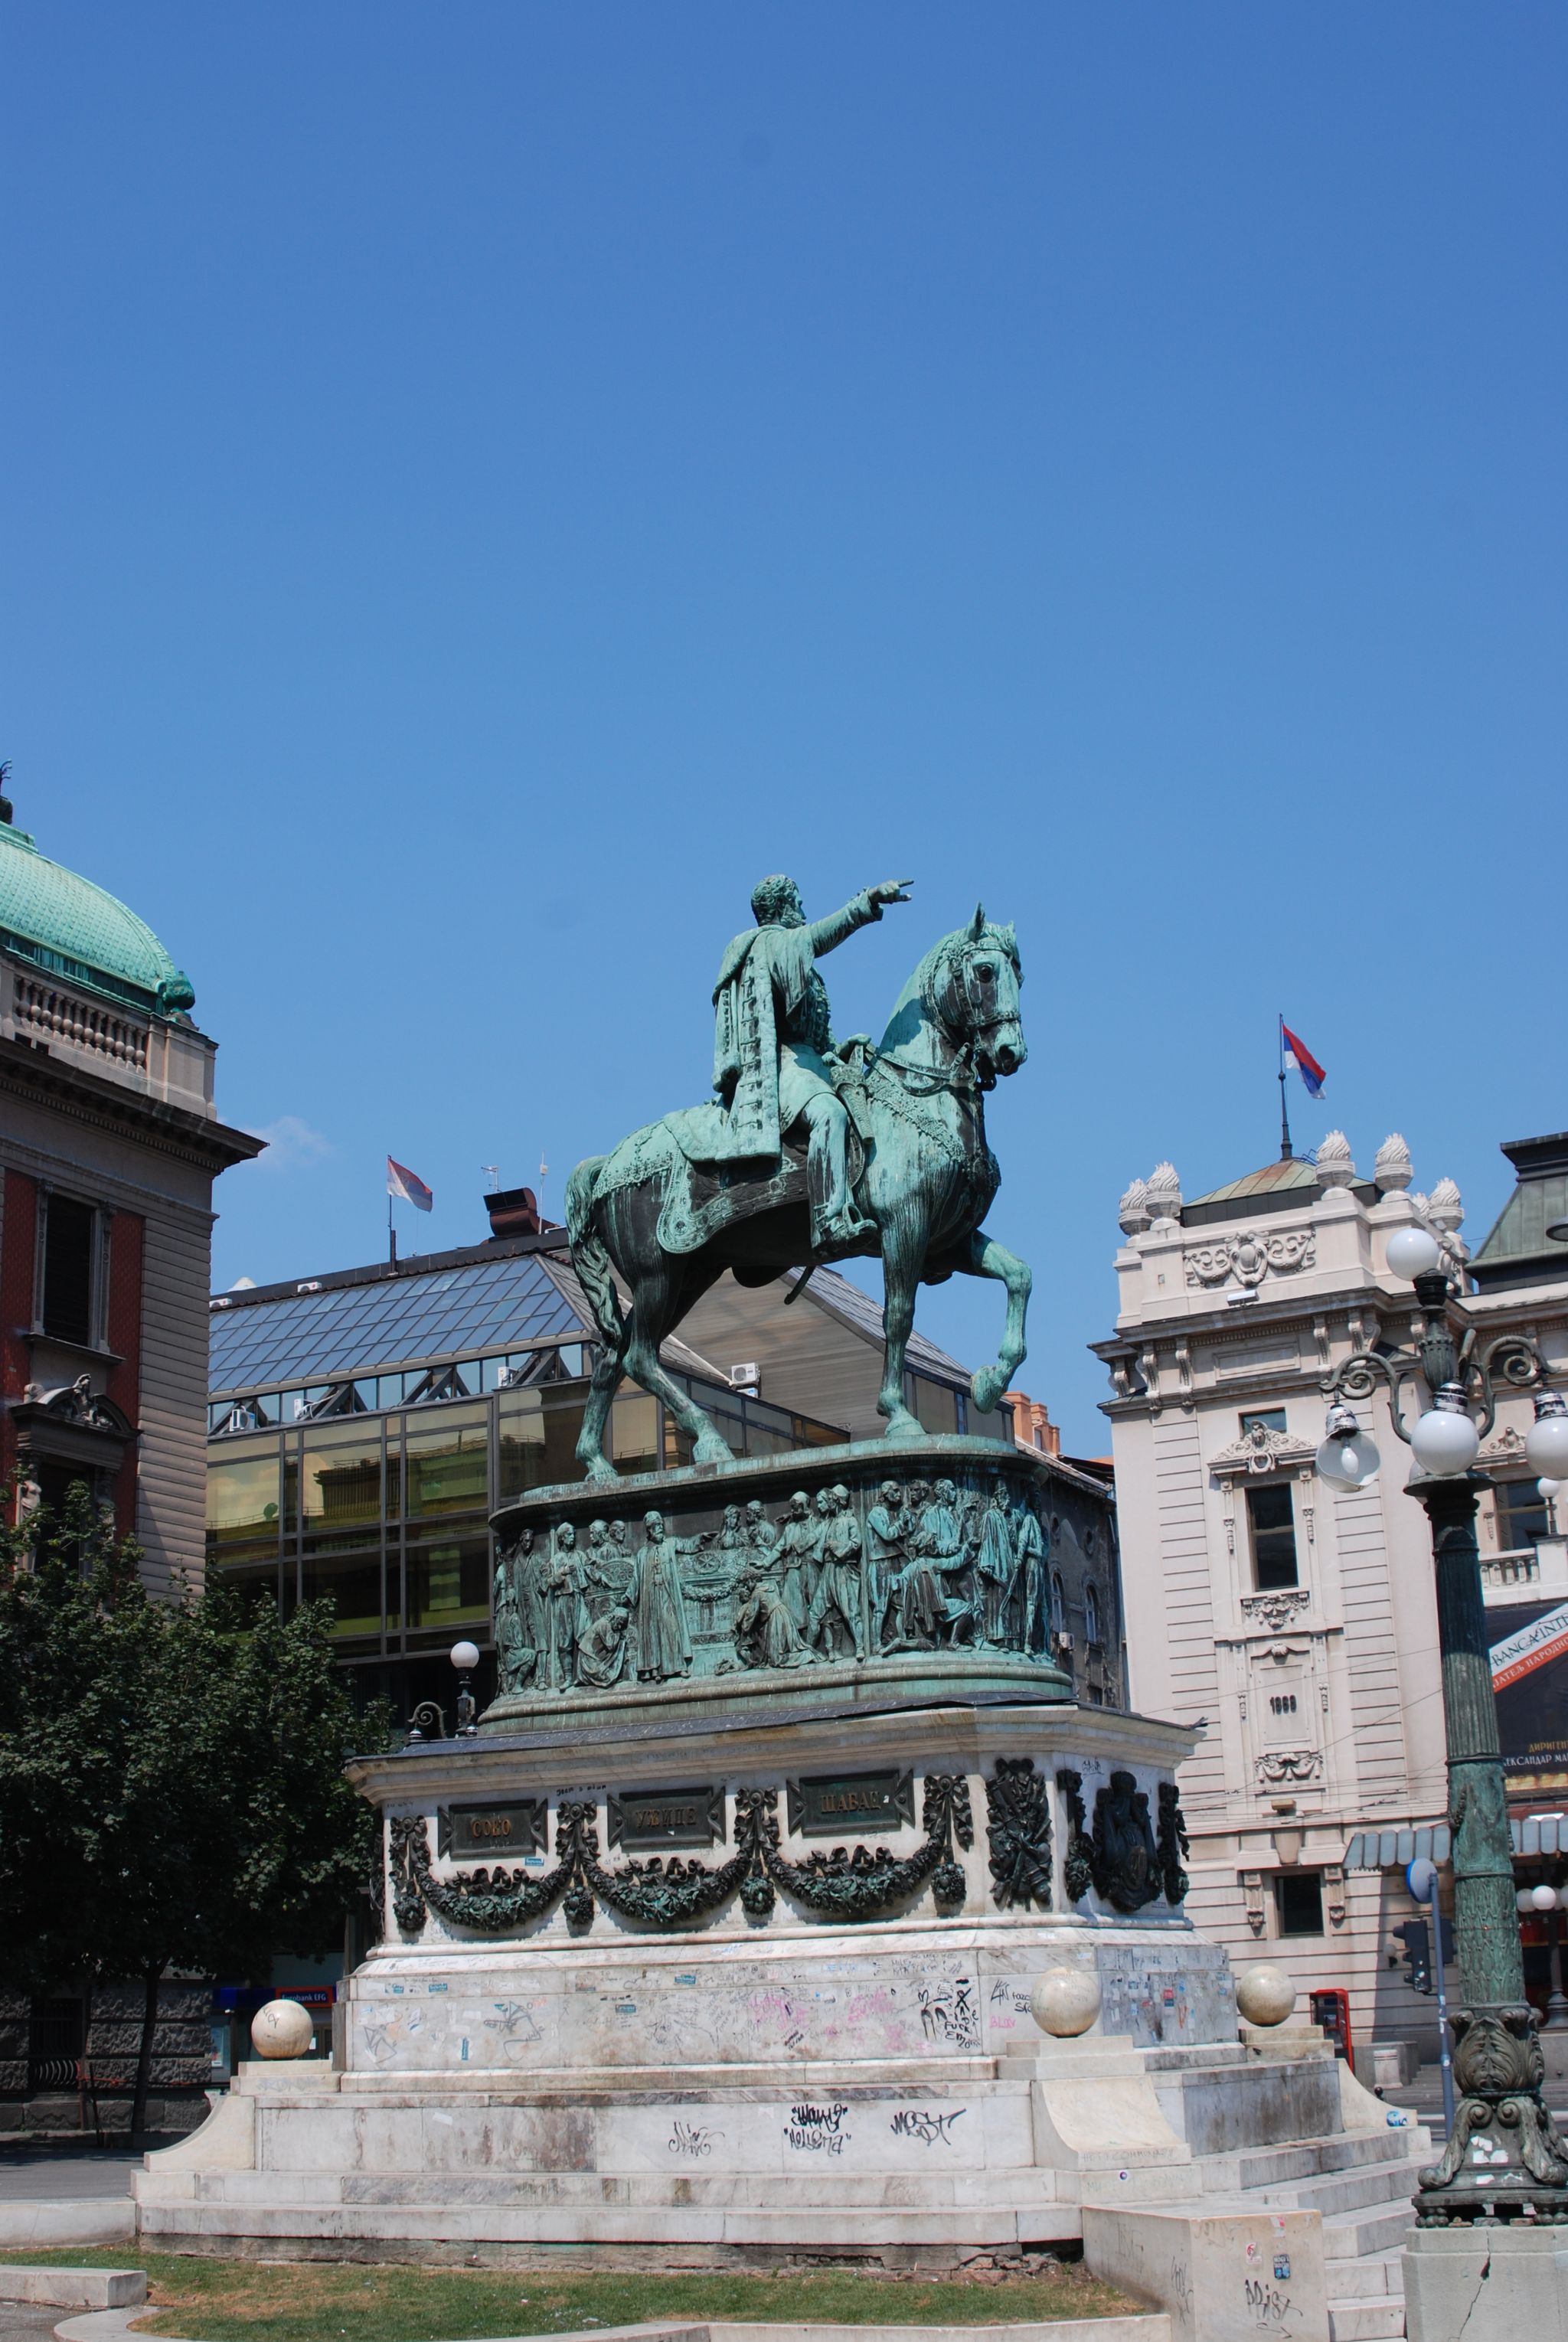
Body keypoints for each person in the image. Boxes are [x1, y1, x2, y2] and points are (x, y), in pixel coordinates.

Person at [700, 873, 912, 1253]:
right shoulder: (771, 943)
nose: (802, 909)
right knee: (830, 1114)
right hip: (782, 1068)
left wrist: (842, 1047)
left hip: (813, 1063)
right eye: (796, 902)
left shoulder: (796, 962)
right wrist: (867, 902)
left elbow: (815, 1034)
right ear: (780, 908)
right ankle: (828, 1222)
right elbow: (819, 936)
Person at [626, 1510, 694, 1681]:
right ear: (649, 1530)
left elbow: (688, 1544)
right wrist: (627, 1597)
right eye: (656, 1527)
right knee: (652, 1633)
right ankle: (654, 1670)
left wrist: (701, 1539)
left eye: (661, 1526)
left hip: (667, 1595)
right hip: (650, 1600)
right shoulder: (642, 1553)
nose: (660, 1529)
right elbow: (636, 1578)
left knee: (671, 1628)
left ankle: (678, 1667)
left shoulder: (669, 1545)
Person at [807, 1484, 866, 1661]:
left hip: (844, 1569)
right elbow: (812, 1537)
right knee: (815, 1612)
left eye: (831, 1499)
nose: (829, 1502)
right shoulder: (830, 1521)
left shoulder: (850, 1520)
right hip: (828, 1570)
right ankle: (808, 1650)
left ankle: (860, 1647)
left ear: (838, 1501)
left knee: (851, 1611)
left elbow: (857, 1543)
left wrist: (837, 1547)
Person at [864, 1480, 907, 1652]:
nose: (899, 1495)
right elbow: (888, 1535)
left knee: (902, 1605)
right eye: (895, 1491)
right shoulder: (876, 1513)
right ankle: (876, 1644)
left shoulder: (891, 1513)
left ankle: (902, 1639)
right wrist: (901, 1523)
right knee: (880, 1608)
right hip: (880, 1566)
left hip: (894, 1564)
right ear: (885, 1494)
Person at [974, 1485, 1018, 1648]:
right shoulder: (990, 1516)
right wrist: (986, 1562)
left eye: (1007, 1494)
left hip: (1012, 1563)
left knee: (1012, 1599)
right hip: (998, 1564)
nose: (1007, 1498)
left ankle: (1013, 1639)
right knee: (999, 1598)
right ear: (996, 1498)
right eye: (1003, 1495)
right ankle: (997, 1636)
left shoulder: (1012, 1516)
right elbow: (986, 1540)